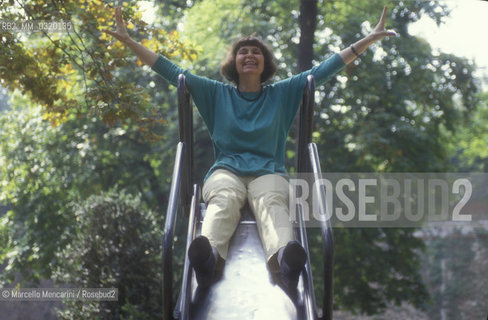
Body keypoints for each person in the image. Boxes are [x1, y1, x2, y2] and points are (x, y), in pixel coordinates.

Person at [104, 6, 395, 297]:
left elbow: (323, 70)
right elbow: (172, 72)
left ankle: (286, 261)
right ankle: (207, 259)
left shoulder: (281, 93)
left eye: (256, 52)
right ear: (234, 61)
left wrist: (367, 39)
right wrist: (130, 42)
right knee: (224, 198)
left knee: (272, 200)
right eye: (243, 51)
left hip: (268, 171)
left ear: (264, 63)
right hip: (226, 170)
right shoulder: (216, 94)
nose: (250, 55)